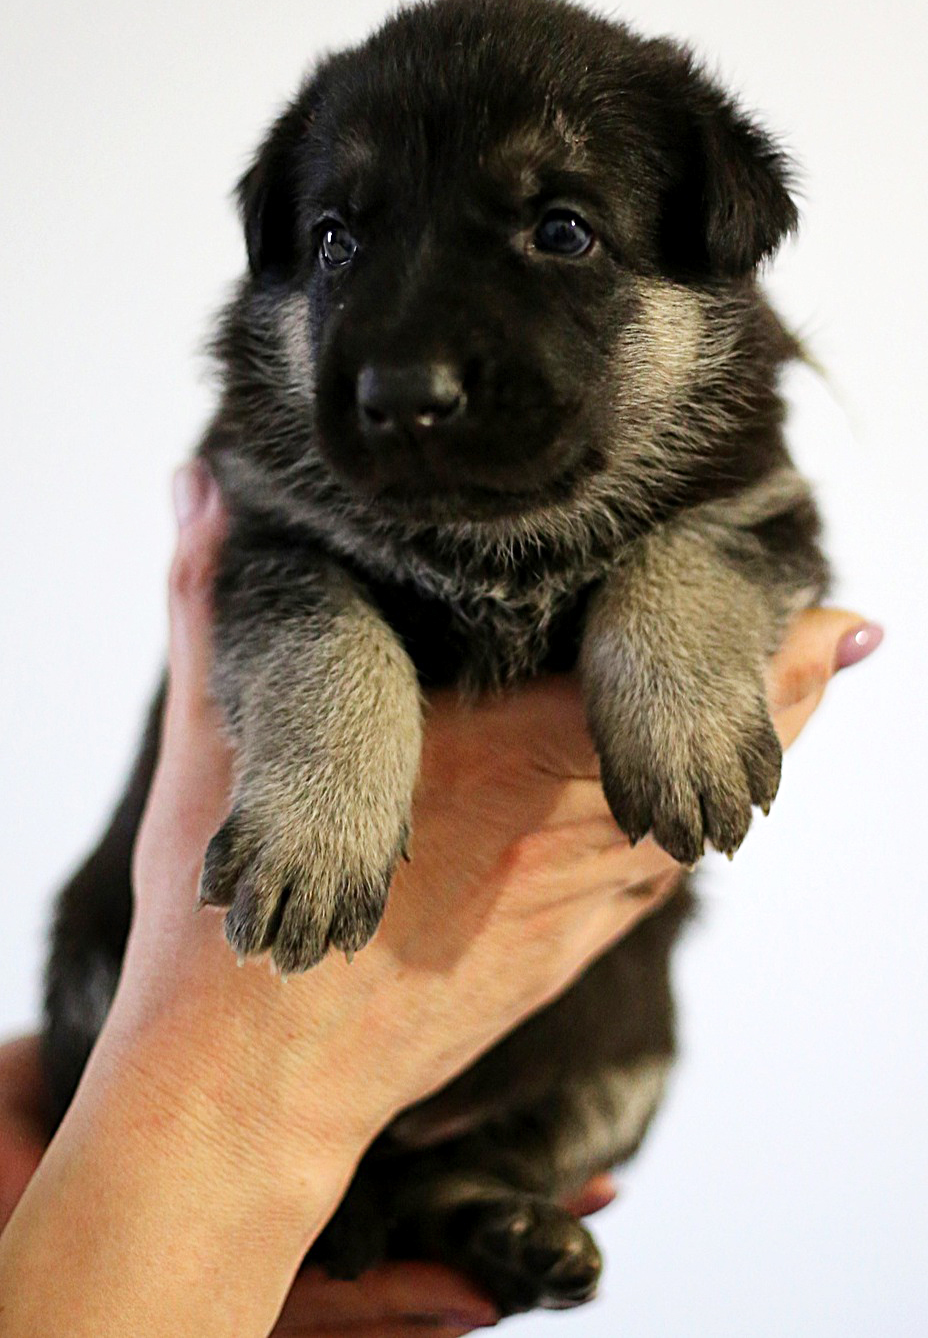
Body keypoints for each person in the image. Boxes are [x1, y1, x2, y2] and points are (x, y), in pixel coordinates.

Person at [0, 466, 882, 1336]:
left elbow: (756, 533)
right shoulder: (299, 456)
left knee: (621, 1089)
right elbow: (280, 573)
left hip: (535, 1074)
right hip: (157, 1003)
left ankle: (457, 1198)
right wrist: (218, 1141)